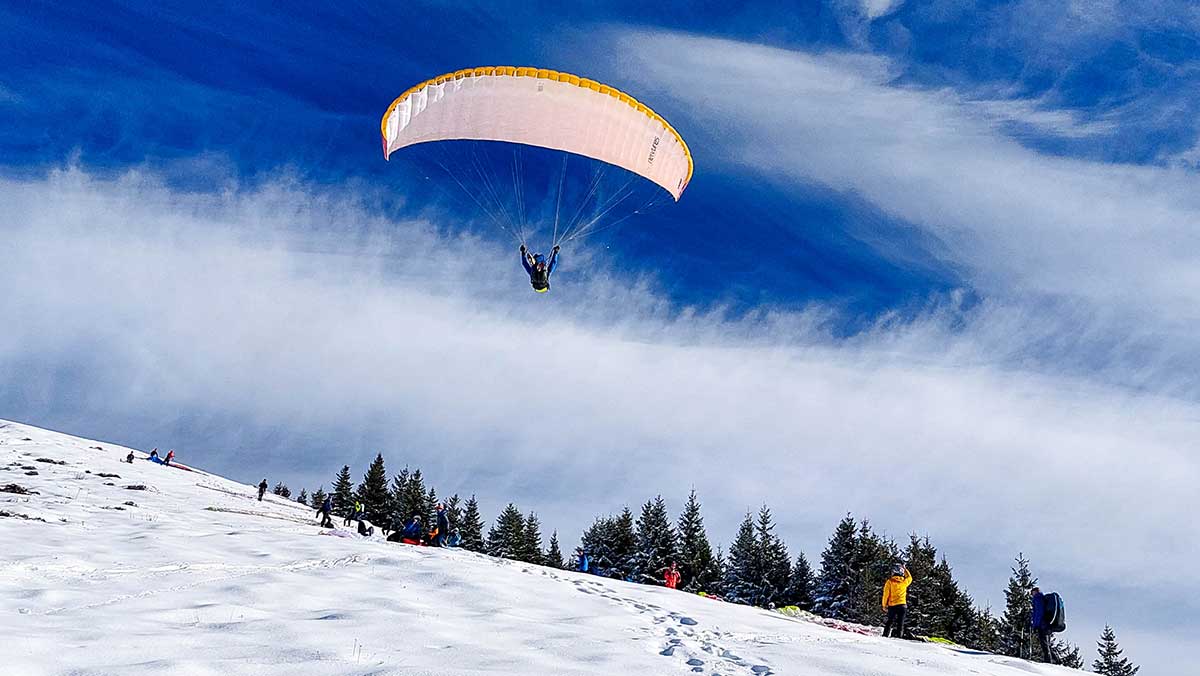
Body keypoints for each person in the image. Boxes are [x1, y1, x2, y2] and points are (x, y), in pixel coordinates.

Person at [881, 563, 913, 638]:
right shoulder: (904, 582)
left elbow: (886, 594)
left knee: (889, 622)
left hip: (892, 605)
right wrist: (905, 569)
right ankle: (899, 638)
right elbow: (910, 577)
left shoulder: (890, 582)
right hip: (902, 605)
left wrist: (884, 605)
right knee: (900, 623)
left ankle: (885, 636)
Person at [1030, 586, 1057, 664]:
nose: (1032, 595)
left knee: (1044, 644)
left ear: (1035, 592)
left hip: (1042, 625)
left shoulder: (1037, 598)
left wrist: (1035, 625)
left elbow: (1039, 613)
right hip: (1047, 624)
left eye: (1032, 593)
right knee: (1047, 644)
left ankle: (1048, 661)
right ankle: (1057, 660)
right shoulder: (1042, 598)